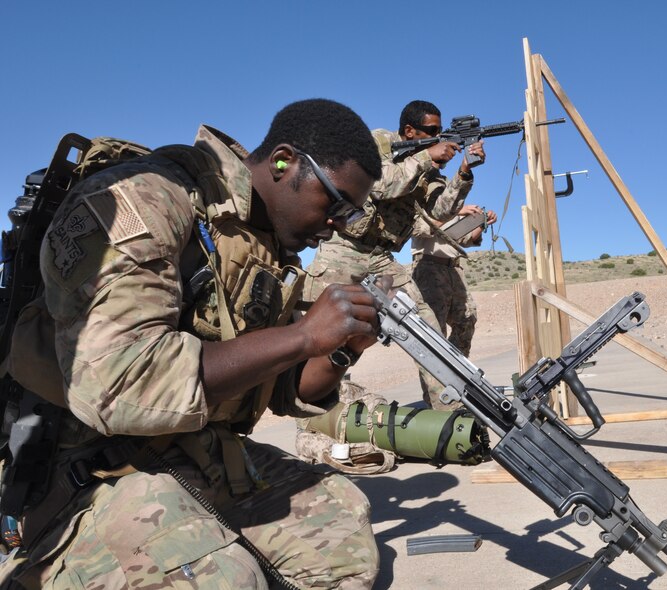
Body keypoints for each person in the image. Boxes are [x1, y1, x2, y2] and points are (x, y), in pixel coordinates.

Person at [3, 99, 386, 589]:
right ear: (285, 160)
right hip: (84, 470)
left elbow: (285, 387)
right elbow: (120, 382)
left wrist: (342, 346)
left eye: (349, 211)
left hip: (193, 455)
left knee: (341, 536)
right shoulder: (144, 199)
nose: (337, 222)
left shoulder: (260, 239)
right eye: (334, 201)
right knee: (219, 579)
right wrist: (302, 335)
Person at [305, 100, 484, 410]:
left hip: (381, 256)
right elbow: (377, 185)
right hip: (343, 249)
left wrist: (464, 173)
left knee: (426, 329)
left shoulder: (429, 168)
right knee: (326, 334)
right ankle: (320, 416)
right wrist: (428, 157)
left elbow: (439, 210)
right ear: (409, 131)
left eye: (441, 132)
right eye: (432, 131)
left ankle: (446, 410)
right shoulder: (379, 143)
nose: (438, 137)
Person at [411, 204, 497, 358]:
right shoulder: (421, 203)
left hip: (454, 269)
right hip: (429, 268)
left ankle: (456, 367)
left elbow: (464, 239)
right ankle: (437, 375)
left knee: (467, 320)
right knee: (434, 328)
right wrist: (455, 211)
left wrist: (482, 222)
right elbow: (420, 229)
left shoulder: (456, 208)